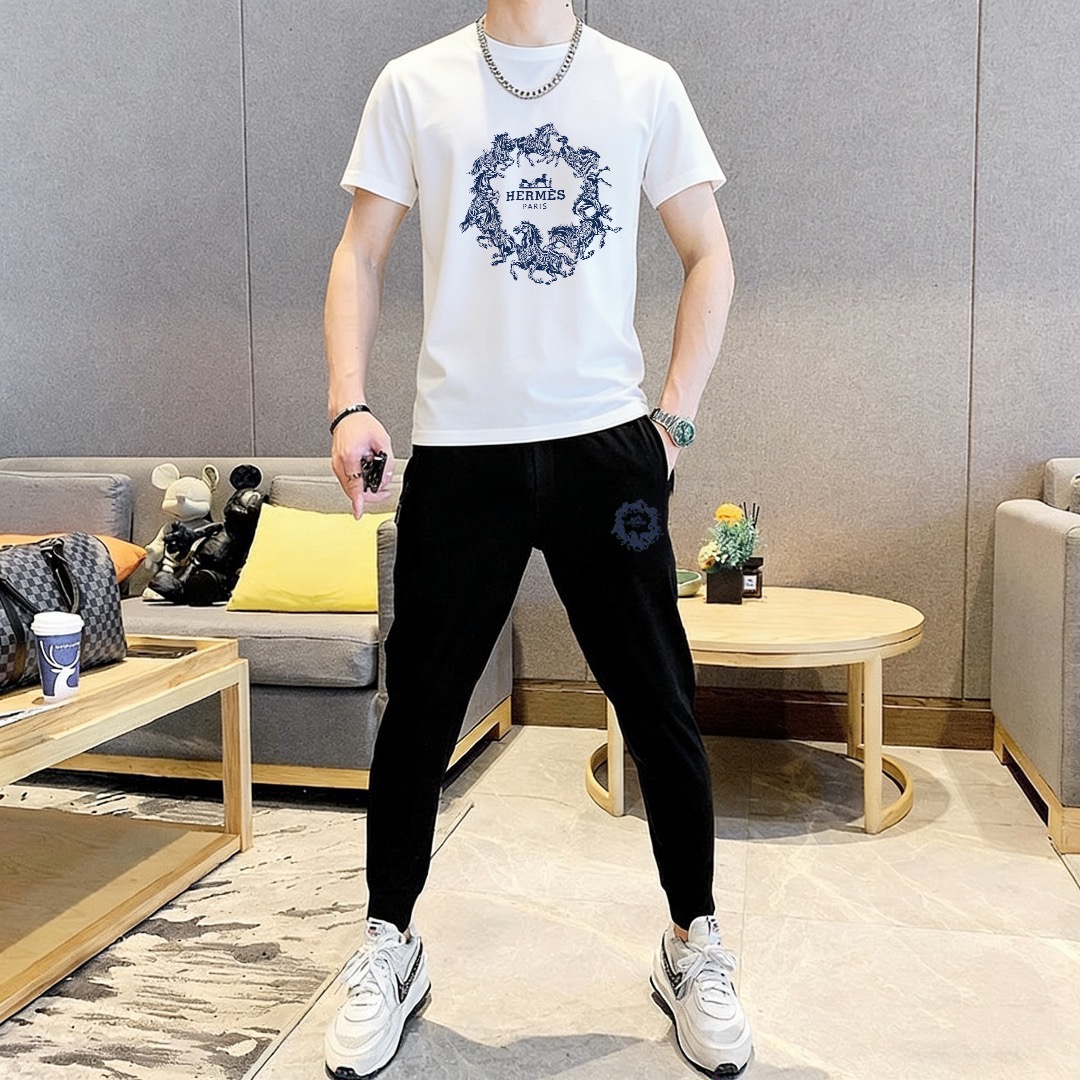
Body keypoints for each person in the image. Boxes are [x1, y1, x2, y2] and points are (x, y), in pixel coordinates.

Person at [322, 2, 750, 1076]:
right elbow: (360, 253)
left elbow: (709, 252)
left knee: (658, 696)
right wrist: (347, 402)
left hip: (608, 454)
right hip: (461, 455)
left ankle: (693, 942)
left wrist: (675, 421)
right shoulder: (413, 83)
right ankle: (389, 943)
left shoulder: (643, 83)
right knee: (420, 709)